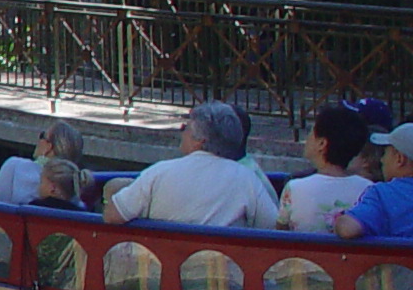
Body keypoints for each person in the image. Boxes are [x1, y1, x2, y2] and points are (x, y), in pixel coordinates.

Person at [103, 100, 278, 230]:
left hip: (163, 275)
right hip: (224, 275)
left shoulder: (160, 172)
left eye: (185, 128)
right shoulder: (247, 179)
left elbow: (112, 216)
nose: (181, 133)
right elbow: (272, 227)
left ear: (200, 141)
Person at [277, 104, 373, 235]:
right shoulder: (369, 189)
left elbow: (280, 233)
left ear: (322, 143)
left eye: (311, 132)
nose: (307, 139)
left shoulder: (294, 188)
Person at [337, 124, 413, 240]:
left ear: (399, 159)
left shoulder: (383, 194)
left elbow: (348, 229)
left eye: (385, 153)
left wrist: (340, 220)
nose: (382, 160)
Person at [0, 119, 87, 208]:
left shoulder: (14, 166)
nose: (39, 140)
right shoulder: (75, 181)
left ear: (49, 147)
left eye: (42, 136)